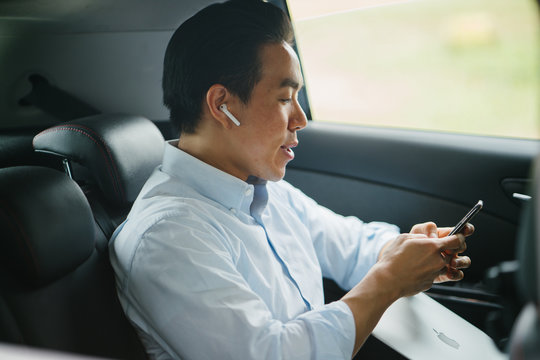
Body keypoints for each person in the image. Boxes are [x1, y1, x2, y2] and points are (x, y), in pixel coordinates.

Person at [109, 1, 472, 359]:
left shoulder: (264, 191)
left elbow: (351, 245)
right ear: (222, 105)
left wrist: (411, 252)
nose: (301, 119)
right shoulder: (166, 238)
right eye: (285, 98)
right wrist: (389, 281)